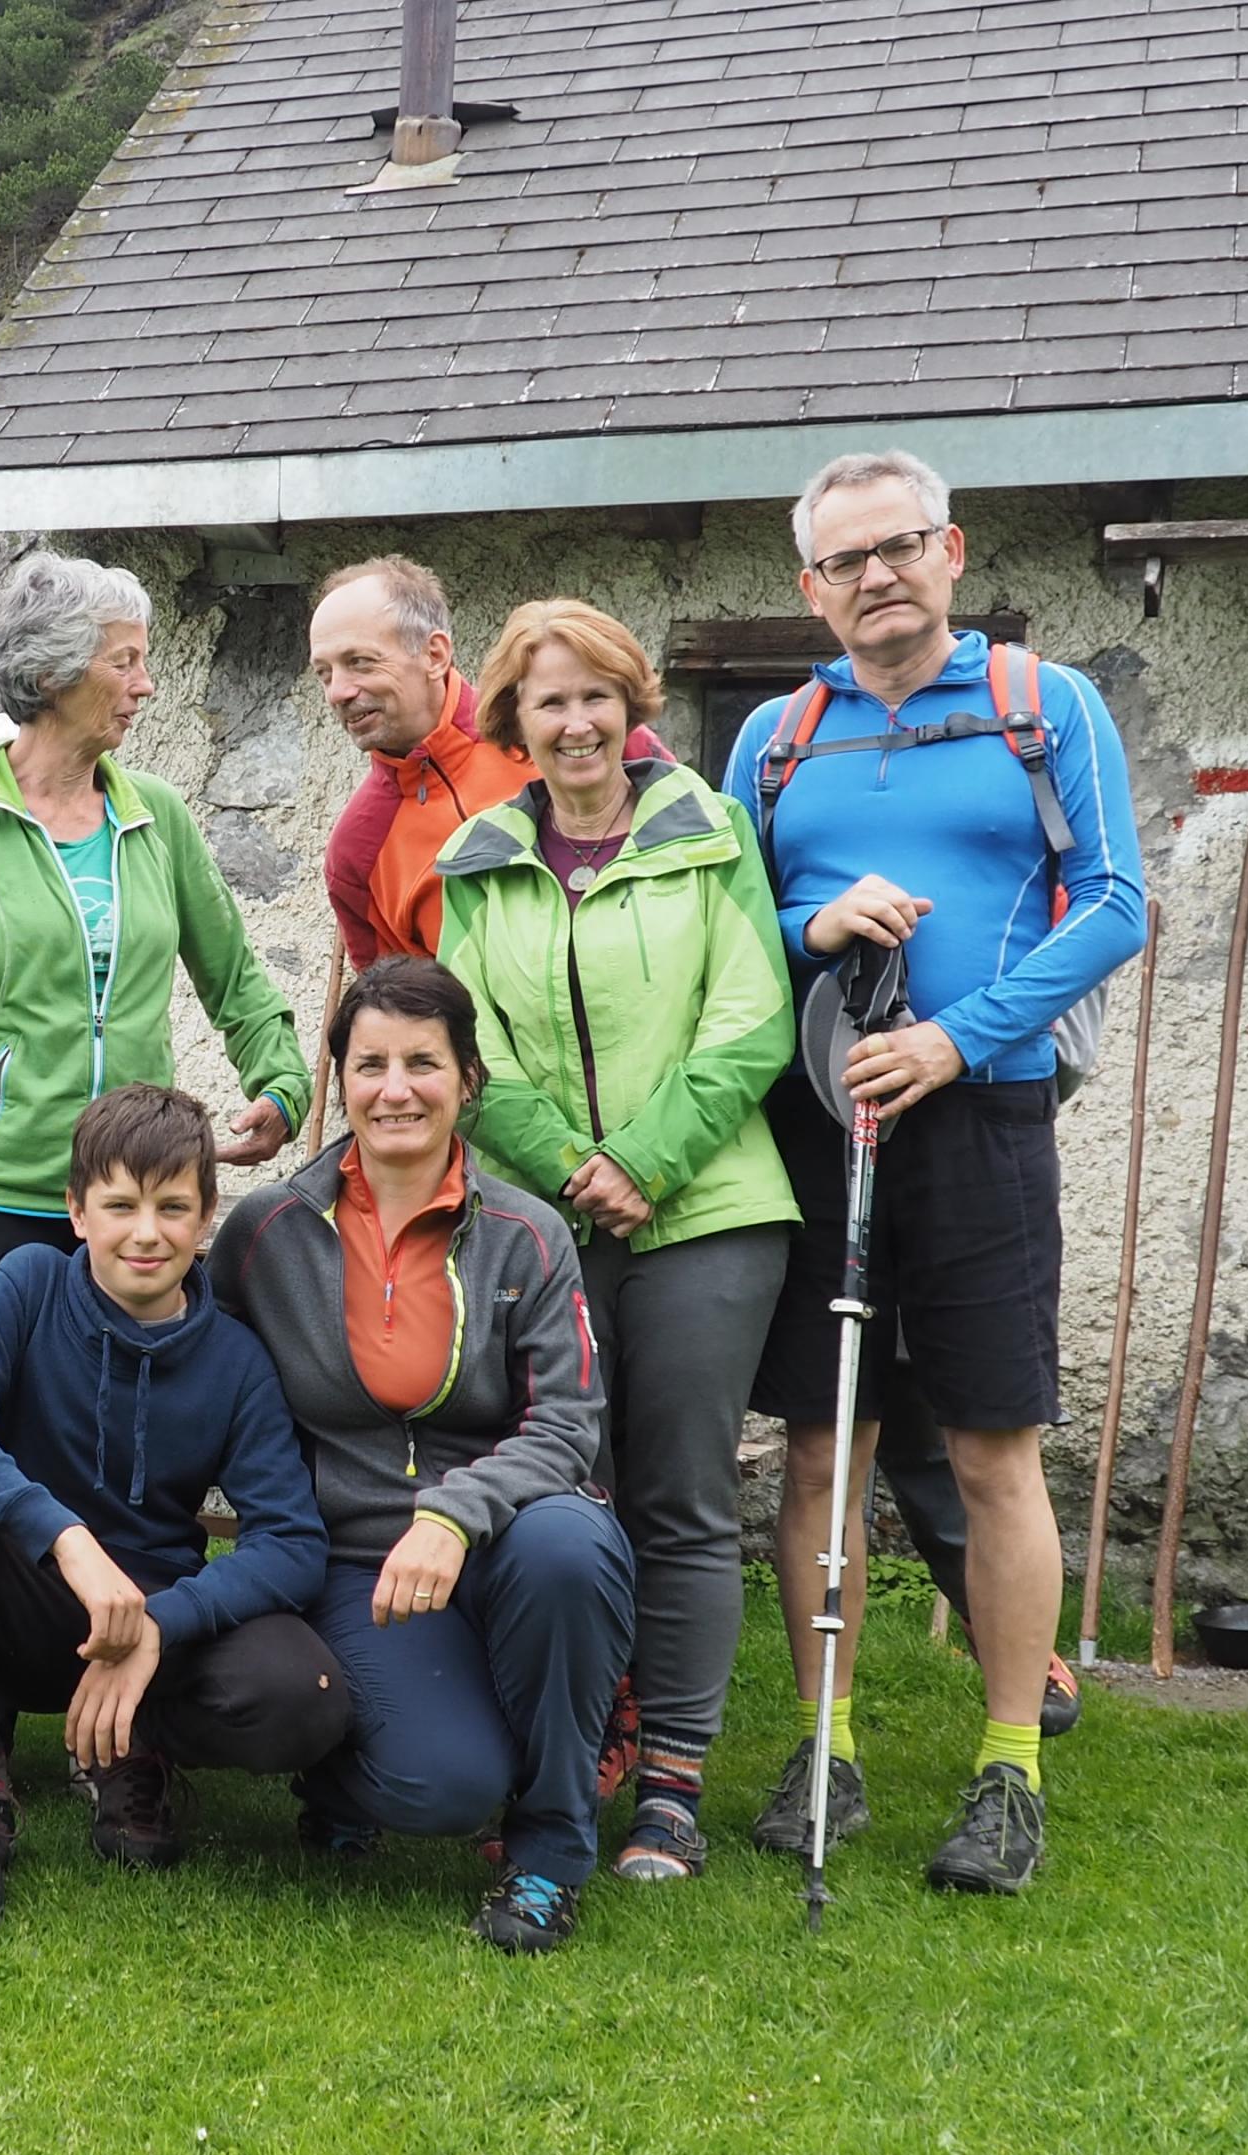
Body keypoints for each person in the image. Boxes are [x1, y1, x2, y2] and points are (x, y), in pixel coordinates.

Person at [722, 449, 1147, 1896]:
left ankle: (1009, 1767)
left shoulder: (1046, 704)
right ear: (812, 588)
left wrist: (959, 1040)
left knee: (990, 1448)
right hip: (819, 1119)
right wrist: (812, 922)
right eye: (846, 560)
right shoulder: (776, 737)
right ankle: (823, 1745)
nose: (878, 576)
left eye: (899, 546)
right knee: (821, 1447)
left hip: (983, 1118)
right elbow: (721, 918)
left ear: (950, 552)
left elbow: (1115, 904)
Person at [433, 599, 797, 1886]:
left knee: (681, 1499)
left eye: (596, 695)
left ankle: (674, 1790)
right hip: (546, 1224)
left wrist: (643, 1161)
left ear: (633, 705)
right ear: (514, 722)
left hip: (711, 1214)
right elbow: (469, 1049)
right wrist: (569, 1170)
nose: (577, 722)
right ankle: (580, 1744)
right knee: (559, 1492)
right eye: (550, 701)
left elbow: (751, 1021)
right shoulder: (477, 861)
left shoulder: (710, 835)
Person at [209, 958, 633, 1954]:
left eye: (422, 1063)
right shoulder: (266, 1233)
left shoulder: (529, 1235)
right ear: (340, 1081)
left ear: (467, 1080)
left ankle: (549, 1853)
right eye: (370, 1065)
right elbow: (207, 1382)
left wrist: (454, 1512)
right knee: (441, 1787)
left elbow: (569, 1423)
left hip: (508, 1544)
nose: (394, 1089)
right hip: (355, 1564)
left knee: (570, 1545)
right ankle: (345, 1775)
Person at [0, 1086, 353, 1933]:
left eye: (173, 1208)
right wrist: (66, 1538)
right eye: (120, 1205)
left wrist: (160, 1625)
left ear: (205, 1216)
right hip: (25, 1604)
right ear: (77, 1211)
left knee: (301, 1691)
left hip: (154, 1625)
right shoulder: (29, 1285)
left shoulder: (237, 1360)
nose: (146, 1233)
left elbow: (291, 1543)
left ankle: (138, 1746)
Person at [0, 552, 307, 1334]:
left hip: (134, 1199)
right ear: (53, 673)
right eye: (124, 662)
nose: (146, 685)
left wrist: (283, 1084)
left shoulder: (157, 816)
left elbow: (236, 981)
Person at [311, 555, 664, 968]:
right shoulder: (358, 850)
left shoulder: (574, 737)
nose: (338, 692)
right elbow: (400, 1002)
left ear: (435, 654)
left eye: (359, 662)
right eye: (324, 673)